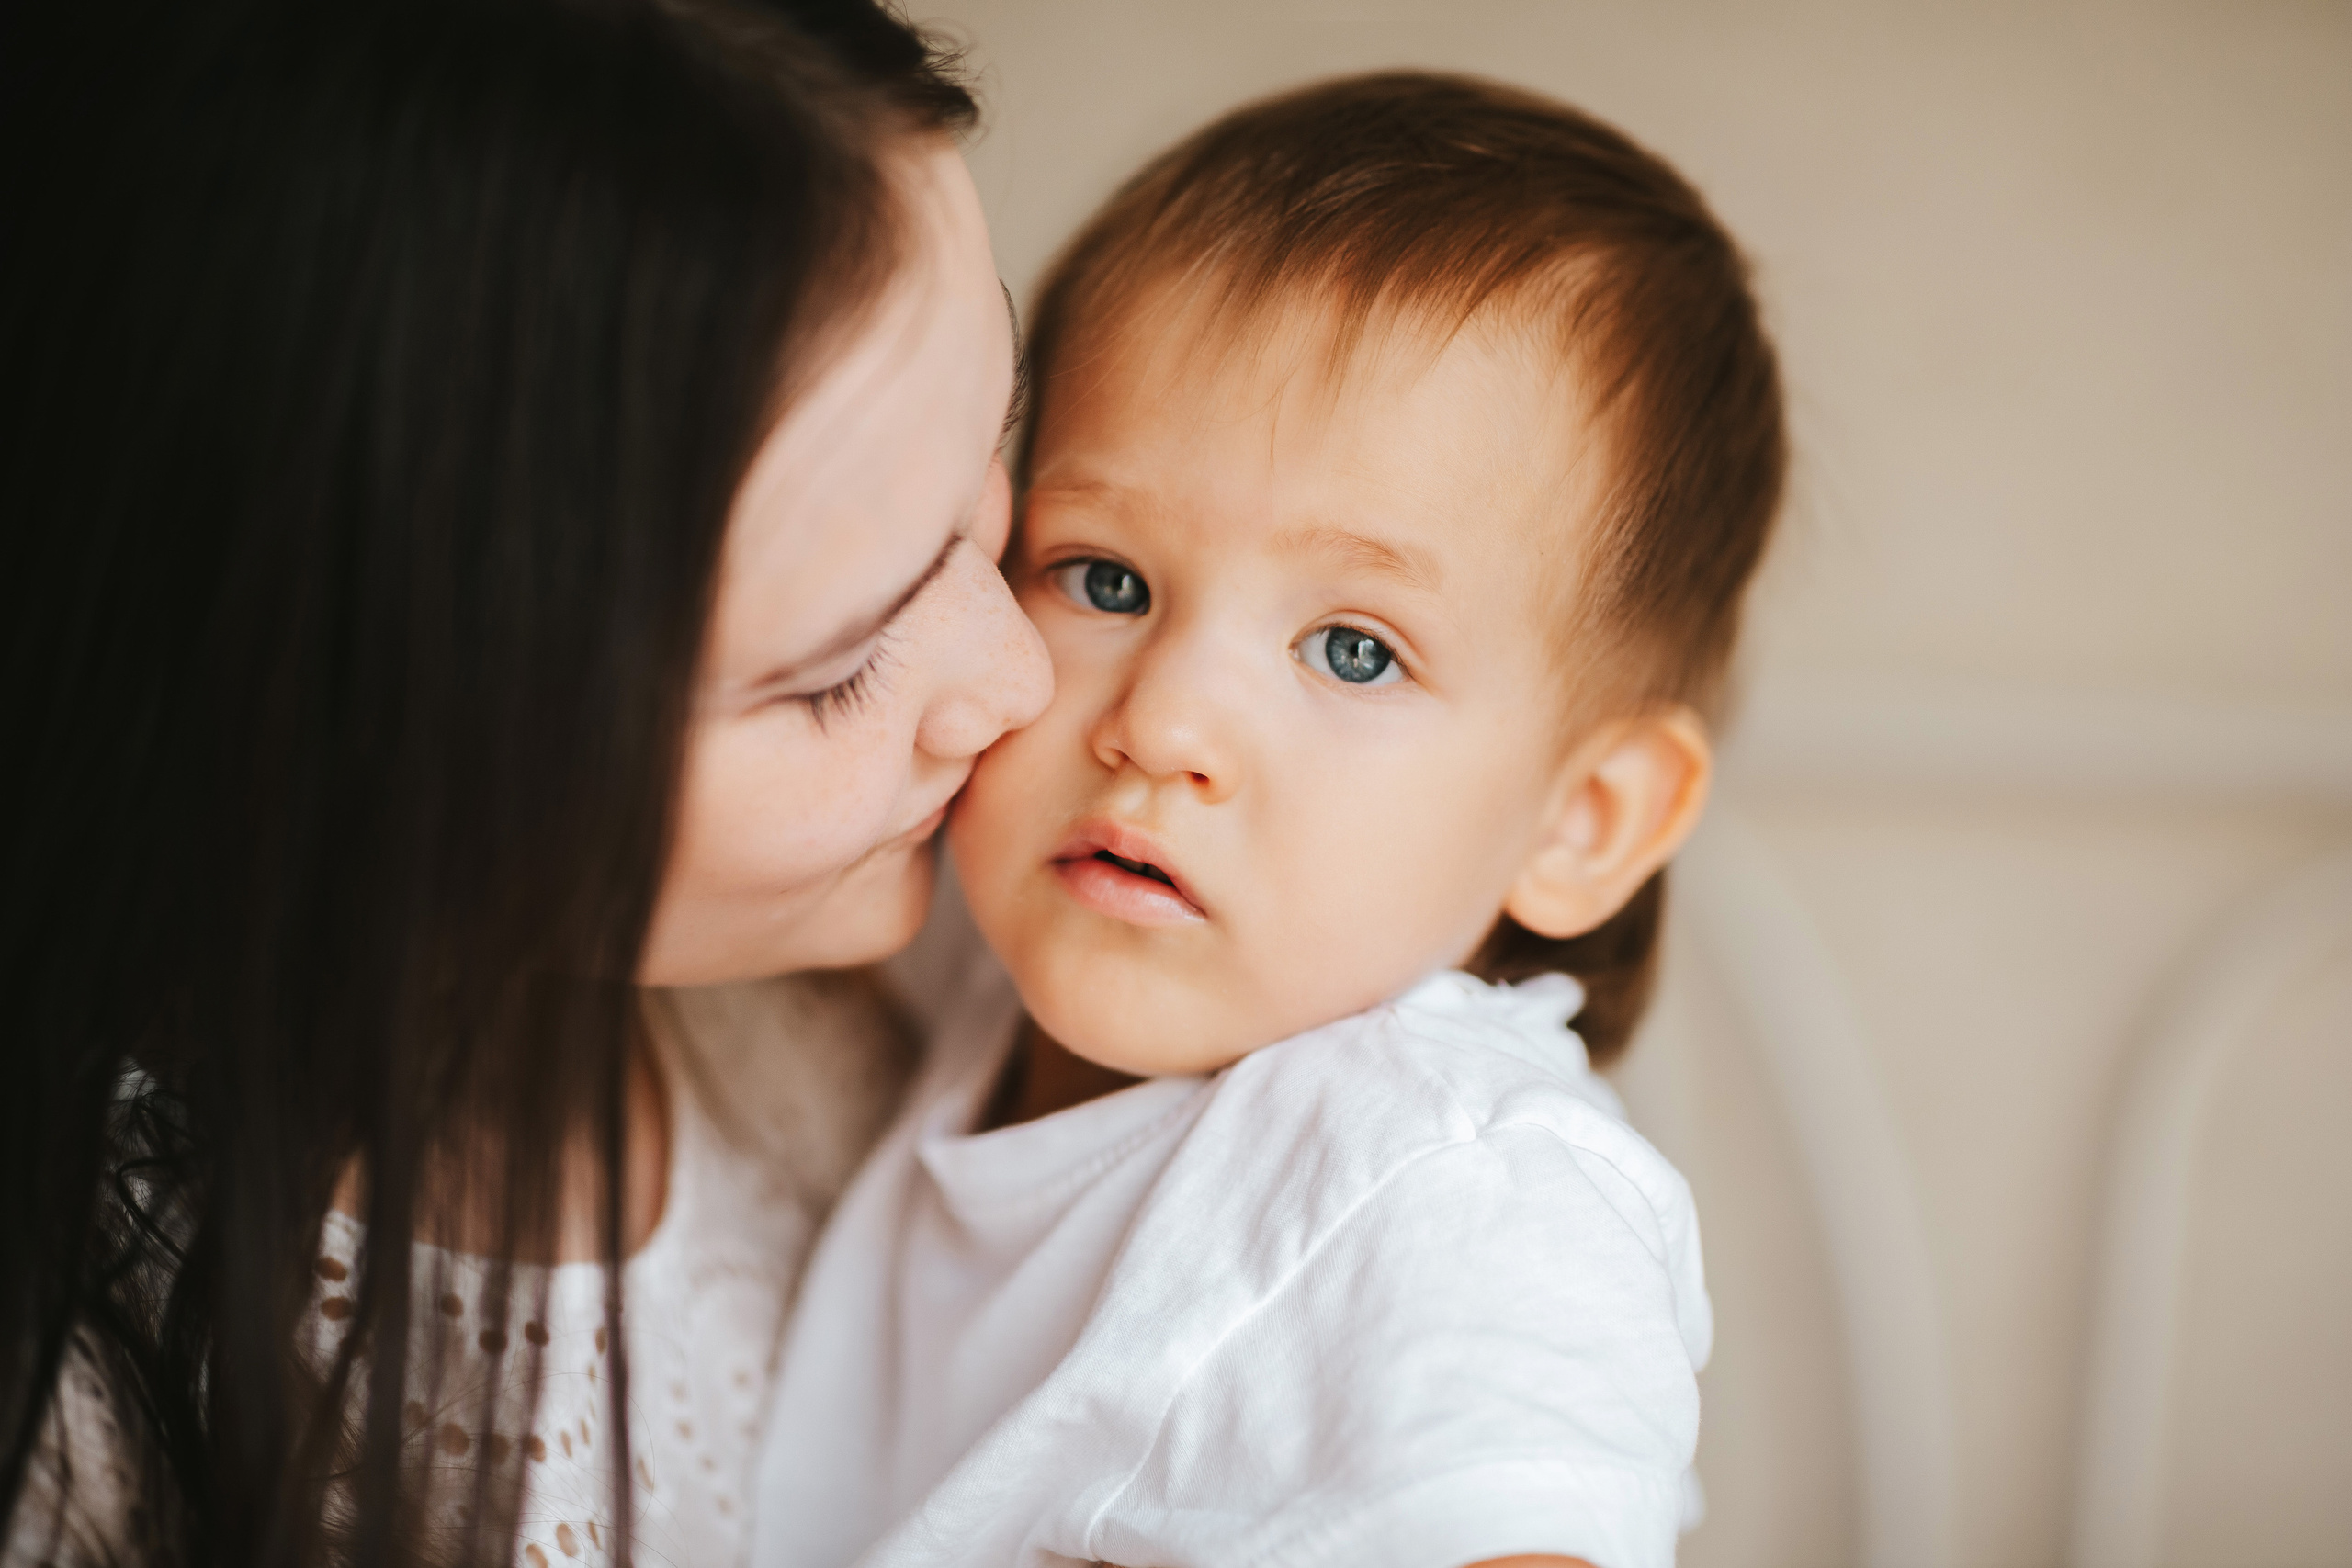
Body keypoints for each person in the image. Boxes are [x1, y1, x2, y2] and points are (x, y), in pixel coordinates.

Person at [0, 0, 1046, 1563]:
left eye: (996, 483)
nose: (1021, 676)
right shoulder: (76, 1426)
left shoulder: (932, 993)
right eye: (836, 670)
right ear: (355, 730)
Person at [755, 73, 1786, 1568]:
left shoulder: (1450, 1182)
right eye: (1104, 579)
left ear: (1580, 821)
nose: (1162, 723)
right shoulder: (952, 990)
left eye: (1354, 650)